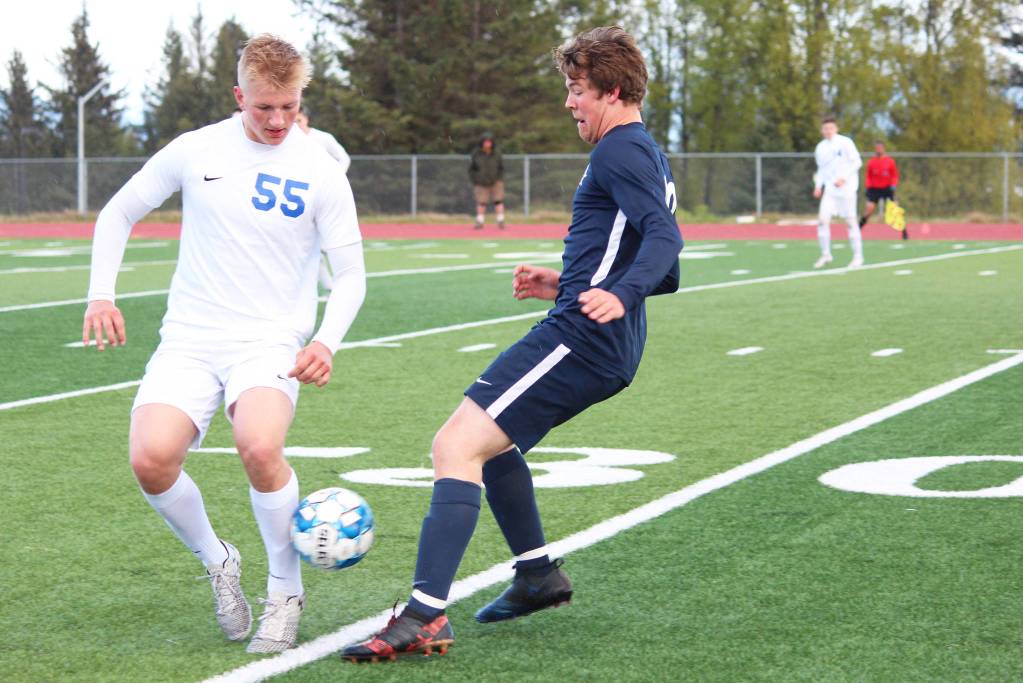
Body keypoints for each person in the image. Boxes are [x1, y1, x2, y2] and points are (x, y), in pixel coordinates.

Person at [341, 25, 683, 663]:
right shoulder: (645, 151)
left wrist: (618, 295)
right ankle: (536, 575)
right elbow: (660, 263)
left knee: (455, 443)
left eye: (576, 89)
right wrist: (569, 281)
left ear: (610, 90)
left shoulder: (618, 152)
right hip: (598, 332)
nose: (569, 102)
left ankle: (425, 615)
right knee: (494, 445)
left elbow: (665, 243)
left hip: (585, 338)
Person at [82, 34, 366, 654]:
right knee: (151, 460)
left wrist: (327, 341)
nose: (277, 120)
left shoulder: (320, 167)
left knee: (258, 445)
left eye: (289, 106)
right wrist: (101, 294)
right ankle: (219, 561)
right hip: (189, 339)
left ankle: (285, 592)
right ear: (240, 96)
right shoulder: (196, 149)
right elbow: (118, 212)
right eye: (264, 107)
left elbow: (351, 275)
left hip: (269, 340)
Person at [295, 108, 352, 289]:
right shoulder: (288, 141)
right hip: (299, 196)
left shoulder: (322, 138)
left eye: (299, 120)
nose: (295, 124)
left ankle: (328, 247)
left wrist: (335, 178)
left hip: (322, 194)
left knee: (322, 237)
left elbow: (343, 158)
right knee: (307, 244)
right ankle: (330, 286)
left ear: (306, 119)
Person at [812, 116, 864, 269]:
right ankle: (826, 254)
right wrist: (818, 186)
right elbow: (821, 170)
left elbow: (857, 162)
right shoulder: (820, 148)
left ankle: (858, 257)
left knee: (850, 222)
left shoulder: (845, 142)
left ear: (836, 129)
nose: (828, 131)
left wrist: (844, 178)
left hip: (847, 190)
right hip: (830, 190)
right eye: (825, 129)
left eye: (831, 128)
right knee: (822, 220)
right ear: (822, 130)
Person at [859, 141, 905, 239]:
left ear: (883, 149)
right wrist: (868, 187)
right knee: (869, 209)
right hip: (874, 189)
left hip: (887, 189)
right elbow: (868, 176)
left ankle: (904, 232)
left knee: (894, 209)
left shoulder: (890, 161)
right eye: (877, 148)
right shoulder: (872, 162)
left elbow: (895, 176)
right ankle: (858, 228)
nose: (878, 150)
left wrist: (893, 185)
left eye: (880, 148)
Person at [469, 133, 505, 229]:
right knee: (481, 203)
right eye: (485, 142)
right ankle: (480, 221)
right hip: (481, 183)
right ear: (482, 143)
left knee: (498, 201)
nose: (487, 144)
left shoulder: (496, 153)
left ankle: (500, 221)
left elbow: (501, 167)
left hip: (496, 181)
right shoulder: (476, 154)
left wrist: (499, 178)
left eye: (489, 142)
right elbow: (472, 169)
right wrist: (476, 179)